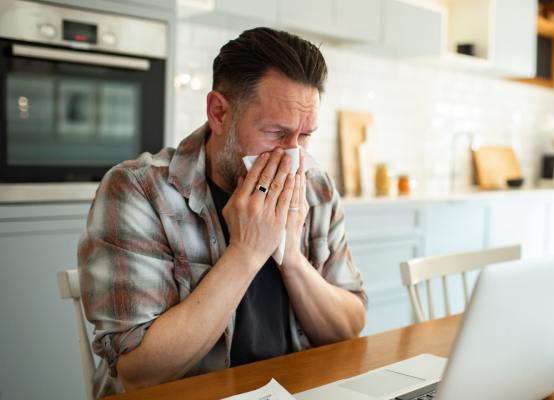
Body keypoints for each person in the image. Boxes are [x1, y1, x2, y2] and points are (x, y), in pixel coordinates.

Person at [78, 27, 367, 397]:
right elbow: (140, 373)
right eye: (276, 133)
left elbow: (350, 326)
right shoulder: (138, 190)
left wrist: (291, 257)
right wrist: (247, 252)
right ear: (219, 113)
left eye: (305, 136)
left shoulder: (315, 186)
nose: (293, 158)